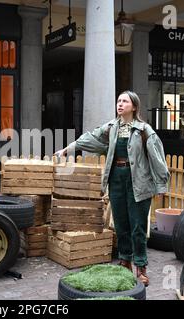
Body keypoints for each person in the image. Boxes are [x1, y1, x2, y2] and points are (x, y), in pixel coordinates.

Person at [54, 91, 169, 286]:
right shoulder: (111, 128)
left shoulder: (144, 130)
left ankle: (141, 267)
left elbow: (158, 159)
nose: (120, 104)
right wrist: (68, 149)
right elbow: (89, 138)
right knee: (121, 225)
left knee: (138, 227)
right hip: (116, 180)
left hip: (138, 183)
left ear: (134, 107)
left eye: (125, 101)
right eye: (118, 101)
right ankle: (125, 263)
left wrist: (161, 184)